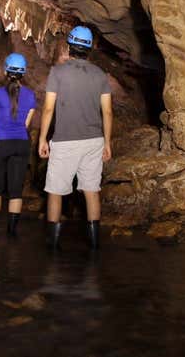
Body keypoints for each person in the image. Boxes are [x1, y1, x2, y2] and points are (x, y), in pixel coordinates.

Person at [38, 26, 112, 249]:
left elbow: (48, 109)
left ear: (69, 46)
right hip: (94, 141)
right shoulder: (100, 75)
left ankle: (52, 246)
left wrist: (42, 138)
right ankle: (95, 246)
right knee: (91, 191)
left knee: (55, 191)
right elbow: (107, 111)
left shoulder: (58, 72)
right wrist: (107, 142)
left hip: (65, 141)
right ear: (89, 49)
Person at [0, 53, 37, 236]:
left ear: (6, 71)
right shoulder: (30, 96)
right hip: (21, 144)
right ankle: (12, 233)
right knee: (15, 190)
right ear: (23, 73)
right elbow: (26, 124)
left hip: (0, 143)